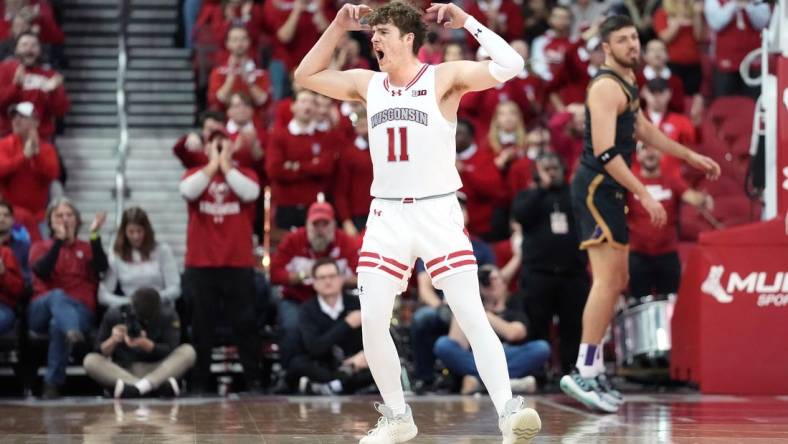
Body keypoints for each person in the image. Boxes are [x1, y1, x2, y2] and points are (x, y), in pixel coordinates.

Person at [293, 1, 541, 442]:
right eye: (372, 34)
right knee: (372, 318)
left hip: (437, 211)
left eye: (382, 32)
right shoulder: (367, 84)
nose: (374, 39)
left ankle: (508, 410)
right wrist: (336, 26)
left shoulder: (443, 78)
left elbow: (512, 63)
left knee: (470, 314)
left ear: (408, 38)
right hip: (387, 213)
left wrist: (466, 21)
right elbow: (305, 77)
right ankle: (396, 417)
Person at [559, 15, 720, 413]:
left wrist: (688, 154)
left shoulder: (629, 82)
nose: (633, 44)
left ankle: (594, 369)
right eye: (623, 40)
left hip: (612, 189)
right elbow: (606, 152)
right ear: (606, 48)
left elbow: (644, 129)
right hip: (598, 188)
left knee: (618, 280)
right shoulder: (604, 87)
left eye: (634, 37)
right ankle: (582, 371)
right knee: (606, 280)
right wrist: (645, 193)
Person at [179, 129, 262, 394]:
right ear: (205, 148)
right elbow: (188, 192)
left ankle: (254, 381)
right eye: (213, 144)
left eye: (223, 143)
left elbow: (250, 194)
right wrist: (214, 165)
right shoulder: (194, 174)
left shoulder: (246, 174)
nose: (218, 147)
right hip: (201, 264)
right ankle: (199, 383)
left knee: (245, 325)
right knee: (202, 326)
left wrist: (225, 165)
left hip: (237, 263)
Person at [512, 152, 589, 374]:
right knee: (537, 324)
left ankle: (572, 371)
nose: (551, 172)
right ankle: (537, 372)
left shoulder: (574, 195)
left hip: (572, 273)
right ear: (537, 171)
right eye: (546, 168)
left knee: (573, 326)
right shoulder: (528, 196)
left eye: (555, 168)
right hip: (538, 273)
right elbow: (521, 215)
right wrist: (541, 188)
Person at [28, 198, 109, 399]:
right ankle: (71, 329)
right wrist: (58, 242)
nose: (64, 219)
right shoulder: (40, 247)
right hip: (42, 308)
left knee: (58, 323)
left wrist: (95, 235)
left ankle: (51, 385)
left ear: (77, 220)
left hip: (80, 309)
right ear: (50, 222)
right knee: (57, 296)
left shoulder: (87, 247)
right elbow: (42, 271)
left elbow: (102, 267)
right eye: (59, 215)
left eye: (69, 215)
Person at [434, 265, 551, 395]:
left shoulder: (514, 302)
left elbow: (515, 333)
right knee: (443, 345)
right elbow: (457, 343)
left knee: (541, 348)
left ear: (504, 283)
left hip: (508, 354)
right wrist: (465, 300)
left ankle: (480, 383)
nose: (491, 283)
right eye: (486, 280)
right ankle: (509, 383)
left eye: (495, 278)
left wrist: (484, 314)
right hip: (478, 356)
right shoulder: (472, 306)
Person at [269, 201, 358, 369]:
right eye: (315, 224)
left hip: (333, 301)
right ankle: (288, 373)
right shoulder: (293, 240)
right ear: (307, 224)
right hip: (298, 299)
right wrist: (304, 275)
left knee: (355, 322)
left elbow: (361, 275)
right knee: (292, 326)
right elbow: (275, 274)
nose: (320, 229)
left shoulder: (345, 242)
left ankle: (348, 370)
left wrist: (333, 279)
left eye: (325, 224)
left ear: (333, 225)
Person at [628, 144, 712, 298]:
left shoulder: (671, 179)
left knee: (671, 304)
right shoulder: (631, 181)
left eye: (653, 148)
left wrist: (704, 199)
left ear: (661, 154)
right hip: (638, 256)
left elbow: (692, 197)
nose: (649, 153)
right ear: (638, 156)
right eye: (644, 149)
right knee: (638, 304)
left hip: (667, 255)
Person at [83, 287, 196, 399]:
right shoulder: (115, 314)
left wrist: (149, 346)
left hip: (158, 369)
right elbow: (98, 351)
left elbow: (171, 349)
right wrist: (113, 340)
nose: (144, 323)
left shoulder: (168, 314)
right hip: (124, 370)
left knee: (188, 351)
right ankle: (148, 387)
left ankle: (137, 388)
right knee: (90, 360)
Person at [287, 258, 373, 395]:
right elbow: (315, 347)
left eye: (332, 276)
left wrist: (363, 357)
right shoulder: (307, 310)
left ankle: (328, 386)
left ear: (341, 279)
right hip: (324, 364)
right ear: (314, 283)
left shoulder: (357, 304)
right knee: (297, 364)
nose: (328, 281)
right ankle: (338, 383)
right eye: (322, 278)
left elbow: (377, 339)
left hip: (354, 362)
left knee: (376, 362)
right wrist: (347, 324)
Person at [98, 207, 181, 308]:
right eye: (131, 232)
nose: (136, 236)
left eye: (139, 231)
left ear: (146, 230)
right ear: (124, 232)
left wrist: (151, 299)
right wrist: (129, 302)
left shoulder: (162, 250)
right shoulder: (116, 254)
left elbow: (175, 289)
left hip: (158, 305)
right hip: (130, 306)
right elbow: (103, 295)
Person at [0, 101, 59, 241]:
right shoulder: (3, 145)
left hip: (37, 218)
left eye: (22, 116)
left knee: (39, 256)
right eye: (14, 117)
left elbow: (53, 174)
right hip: (8, 218)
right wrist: (24, 157)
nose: (16, 120)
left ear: (35, 122)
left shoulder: (46, 149)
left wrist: (36, 154)